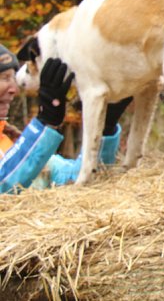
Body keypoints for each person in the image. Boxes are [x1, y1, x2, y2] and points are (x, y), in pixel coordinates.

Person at [0, 43, 130, 193]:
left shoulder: (11, 143)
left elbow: (79, 181)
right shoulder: (24, 147)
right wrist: (45, 123)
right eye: (5, 78)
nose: (14, 89)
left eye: (13, 78)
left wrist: (103, 126)